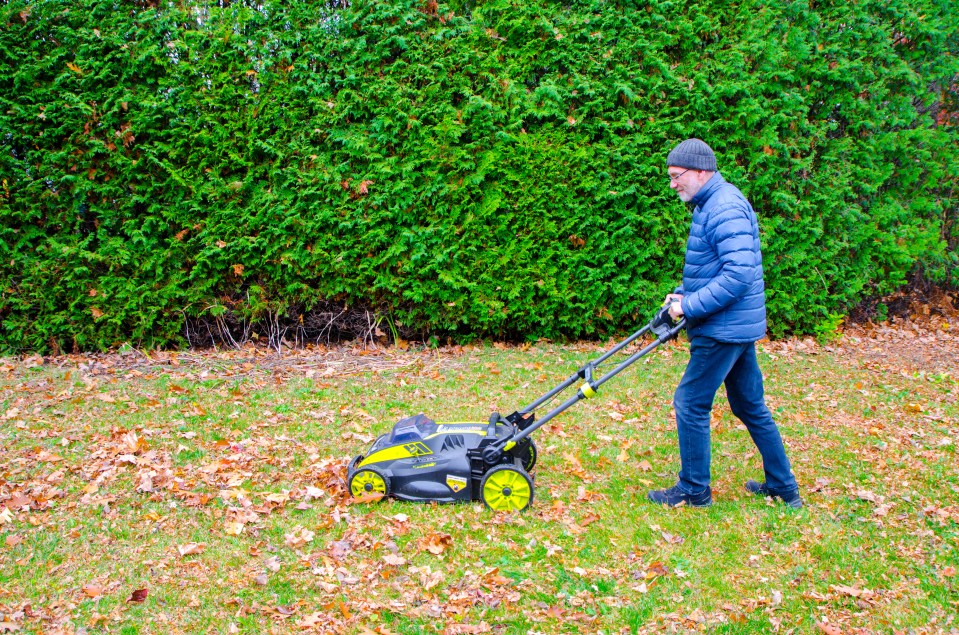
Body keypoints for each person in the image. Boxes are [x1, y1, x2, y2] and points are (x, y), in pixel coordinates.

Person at [647, 138, 802, 509]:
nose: (672, 184)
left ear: (700, 171)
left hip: (723, 328)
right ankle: (783, 486)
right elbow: (716, 269)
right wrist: (682, 295)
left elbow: (737, 277)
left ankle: (693, 490)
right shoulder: (711, 203)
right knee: (750, 405)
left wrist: (689, 307)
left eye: (676, 176)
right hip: (734, 325)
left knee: (690, 402)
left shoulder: (723, 206)